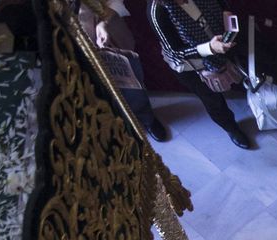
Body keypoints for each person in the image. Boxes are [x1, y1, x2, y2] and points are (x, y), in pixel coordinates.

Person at [148, 0, 253, 148]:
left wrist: (227, 17)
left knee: (243, 69)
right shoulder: (158, 11)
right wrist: (210, 48)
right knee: (212, 100)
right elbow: (175, 52)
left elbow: (221, 3)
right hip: (192, 65)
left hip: (219, 39)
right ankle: (231, 128)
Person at [78, 0, 170, 141]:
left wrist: (103, 23)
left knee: (132, 85)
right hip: (81, 55)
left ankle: (147, 118)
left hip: (112, 40)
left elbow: (115, 3)